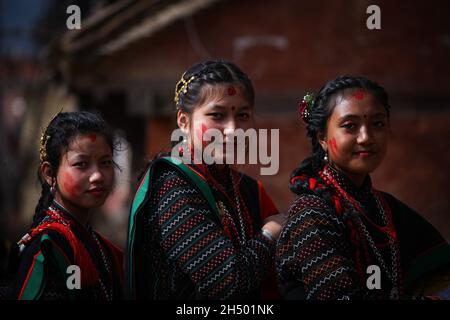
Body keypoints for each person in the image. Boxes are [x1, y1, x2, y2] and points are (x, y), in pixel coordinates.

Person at [276, 76, 450, 300]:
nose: (366, 137)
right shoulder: (311, 213)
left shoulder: (387, 209)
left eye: (377, 124)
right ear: (322, 137)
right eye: (350, 126)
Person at [126, 59, 284, 299]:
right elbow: (228, 282)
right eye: (217, 115)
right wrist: (270, 232)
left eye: (242, 115)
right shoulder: (171, 187)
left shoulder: (245, 188)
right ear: (183, 122)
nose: (233, 130)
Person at [7, 111, 124, 300]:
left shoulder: (101, 247)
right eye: (81, 164)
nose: (98, 176)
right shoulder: (46, 248)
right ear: (49, 173)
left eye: (105, 162)